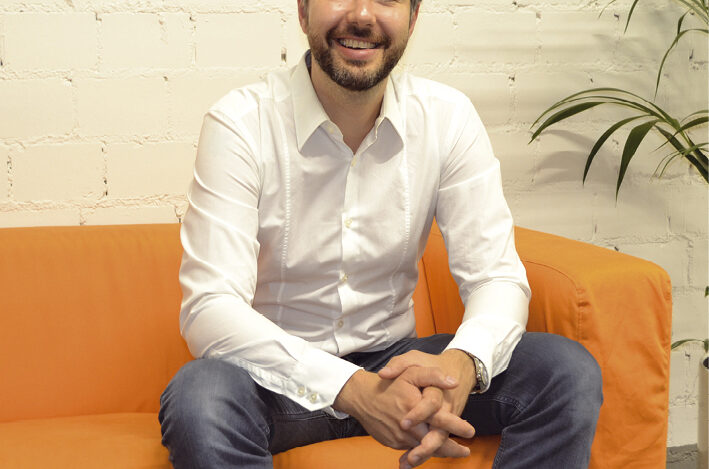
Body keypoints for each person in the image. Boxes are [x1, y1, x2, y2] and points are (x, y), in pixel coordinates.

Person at [158, 0, 603, 467]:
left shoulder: (446, 117)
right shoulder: (241, 122)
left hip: (399, 368)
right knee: (200, 397)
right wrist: (354, 390)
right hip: (278, 379)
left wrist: (461, 366)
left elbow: (496, 277)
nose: (363, 15)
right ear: (303, 11)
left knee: (565, 372)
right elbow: (210, 308)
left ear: (413, 18)